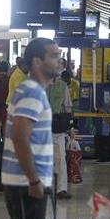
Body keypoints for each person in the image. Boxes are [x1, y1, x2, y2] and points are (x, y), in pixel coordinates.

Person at [1, 38, 61, 219]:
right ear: (37, 61)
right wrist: (34, 180)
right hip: (25, 183)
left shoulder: (31, 90)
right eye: (54, 56)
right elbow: (20, 137)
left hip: (22, 180)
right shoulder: (32, 92)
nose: (59, 61)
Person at [46, 65, 73, 200]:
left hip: (57, 128)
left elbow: (68, 107)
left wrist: (69, 127)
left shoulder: (63, 86)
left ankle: (61, 189)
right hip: (41, 127)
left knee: (61, 158)